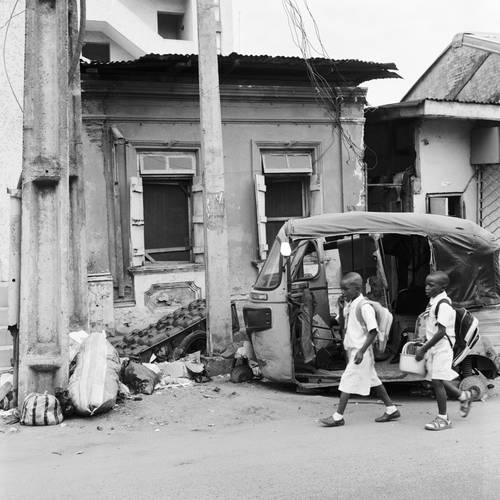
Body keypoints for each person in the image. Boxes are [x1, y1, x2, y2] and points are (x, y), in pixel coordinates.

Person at [319, 272, 400, 427]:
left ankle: (338, 417)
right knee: (374, 380)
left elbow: (373, 331)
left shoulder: (364, 307)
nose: (343, 292)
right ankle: (391, 409)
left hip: (361, 352)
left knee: (347, 381)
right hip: (355, 350)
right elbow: (342, 324)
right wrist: (342, 307)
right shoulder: (350, 304)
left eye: (345, 289)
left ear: (357, 289)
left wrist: (362, 351)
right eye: (342, 289)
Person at [415, 271, 473, 431]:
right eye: (426, 284)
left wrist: (423, 350)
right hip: (435, 347)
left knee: (437, 382)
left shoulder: (444, 305)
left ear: (442, 287)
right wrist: (425, 341)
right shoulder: (434, 301)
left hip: (442, 348)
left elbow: (441, 332)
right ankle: (464, 396)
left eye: (431, 285)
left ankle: (443, 419)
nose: (426, 288)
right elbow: (433, 328)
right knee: (438, 378)